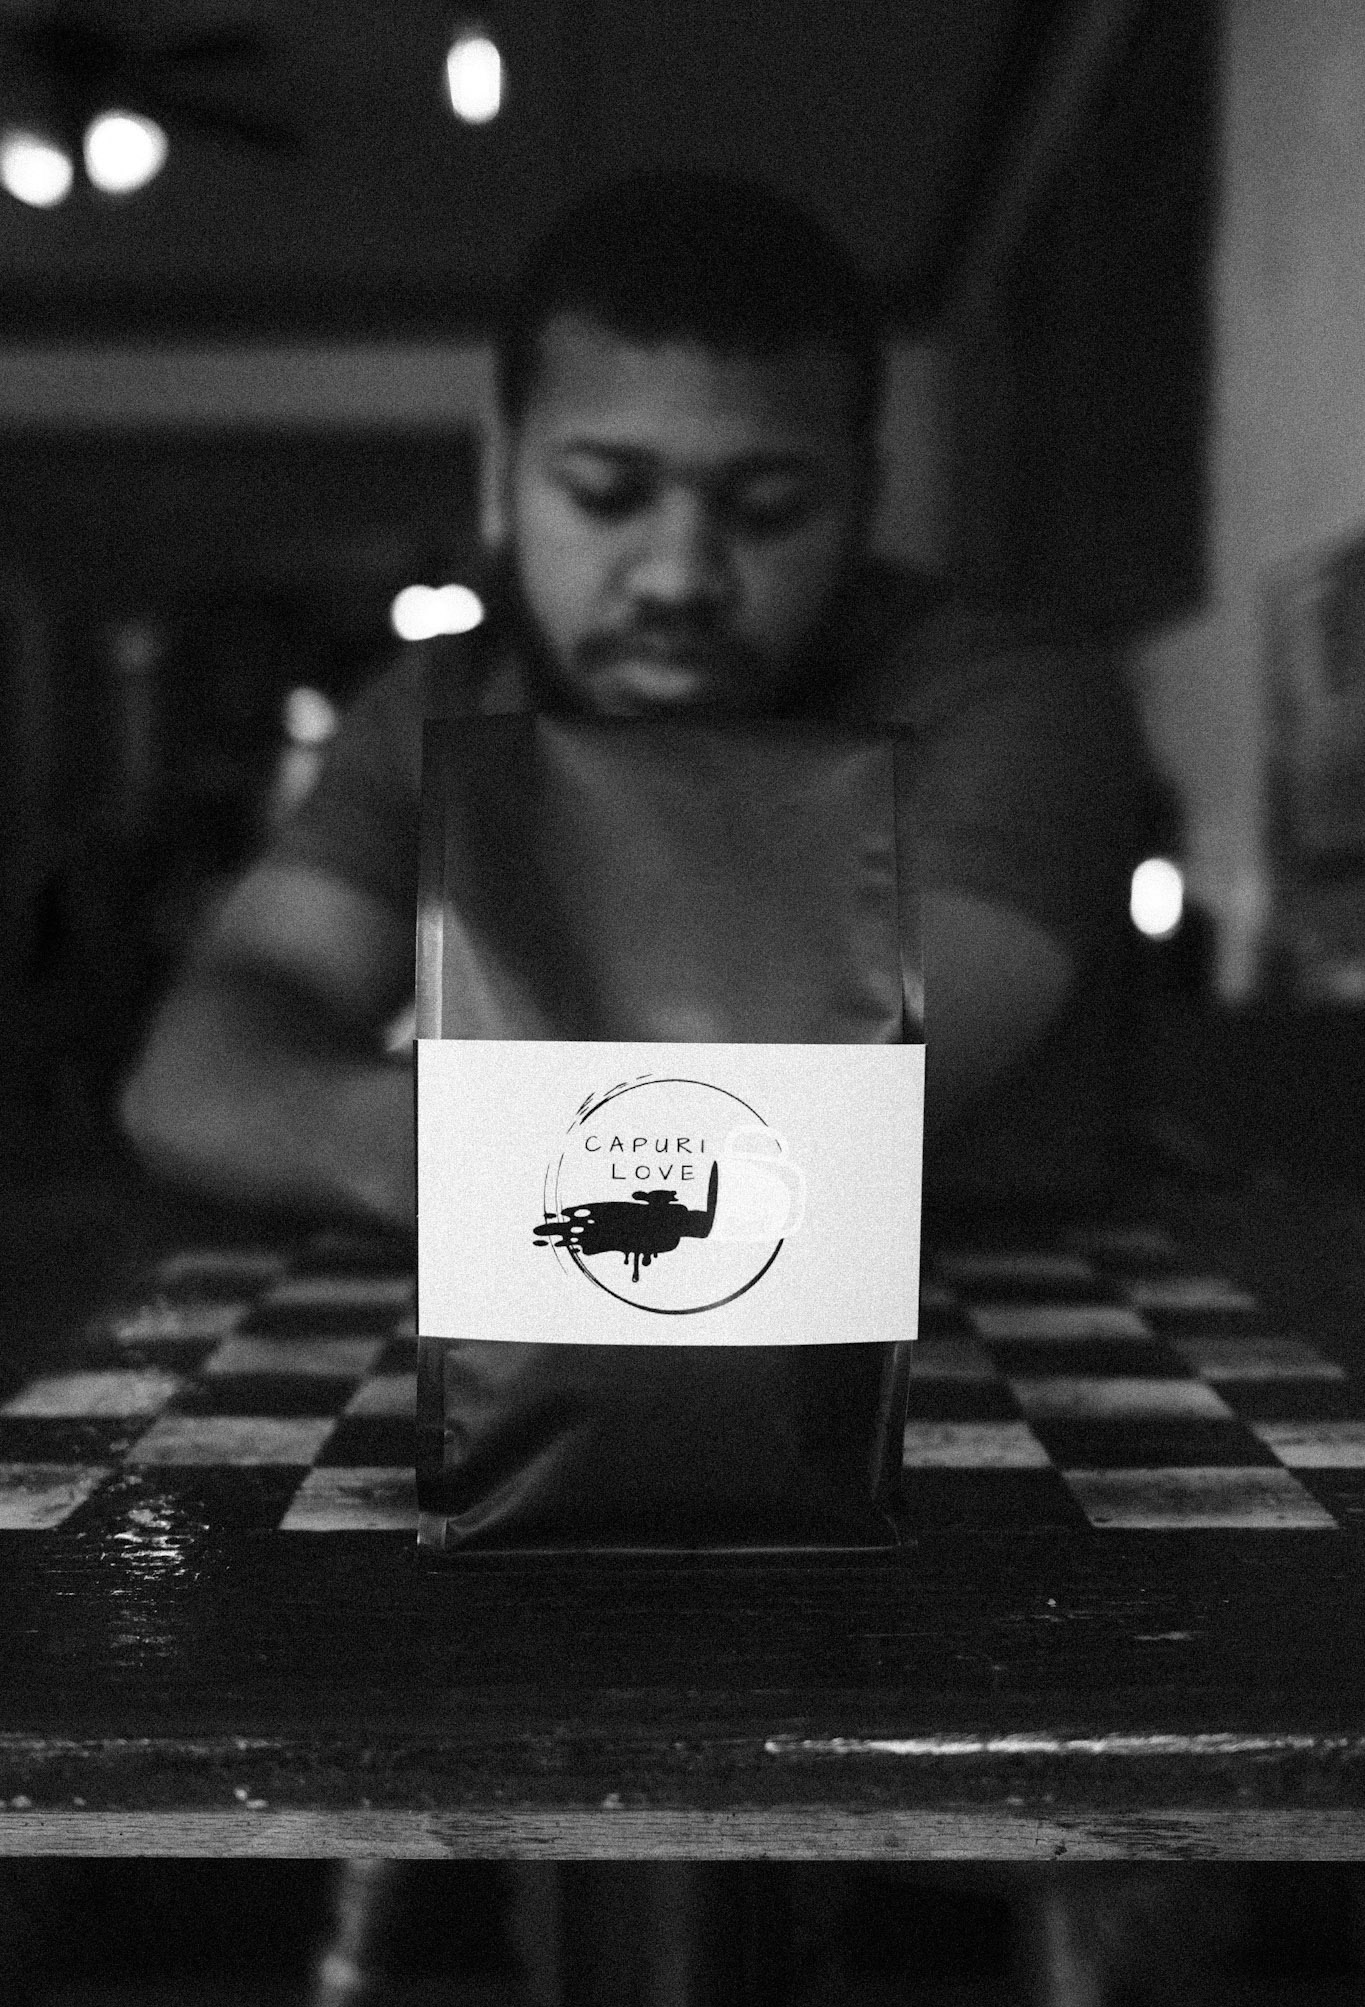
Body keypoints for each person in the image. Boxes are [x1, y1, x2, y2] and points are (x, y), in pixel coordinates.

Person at [119, 169, 1159, 1228]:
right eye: (606, 495)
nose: (678, 577)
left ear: (863, 501)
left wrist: (445, 1145)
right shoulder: (445, 700)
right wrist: (413, 1145)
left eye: (768, 507)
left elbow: (833, 1110)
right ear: (503, 473)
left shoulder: (1011, 701)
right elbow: (189, 1080)